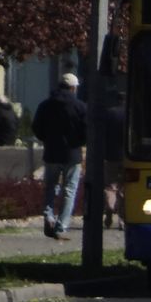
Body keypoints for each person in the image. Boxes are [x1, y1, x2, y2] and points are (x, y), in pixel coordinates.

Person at [32, 73, 88, 240]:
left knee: (50, 187)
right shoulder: (80, 107)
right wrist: (77, 142)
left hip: (51, 153)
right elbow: (86, 130)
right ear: (74, 88)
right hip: (72, 154)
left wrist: (48, 139)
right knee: (69, 190)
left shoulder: (45, 105)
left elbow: (37, 127)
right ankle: (61, 225)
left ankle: (48, 216)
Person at [103, 92, 126, 230]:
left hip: (110, 155)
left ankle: (110, 209)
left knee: (110, 186)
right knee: (124, 188)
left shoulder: (109, 114)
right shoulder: (131, 114)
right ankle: (122, 219)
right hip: (127, 157)